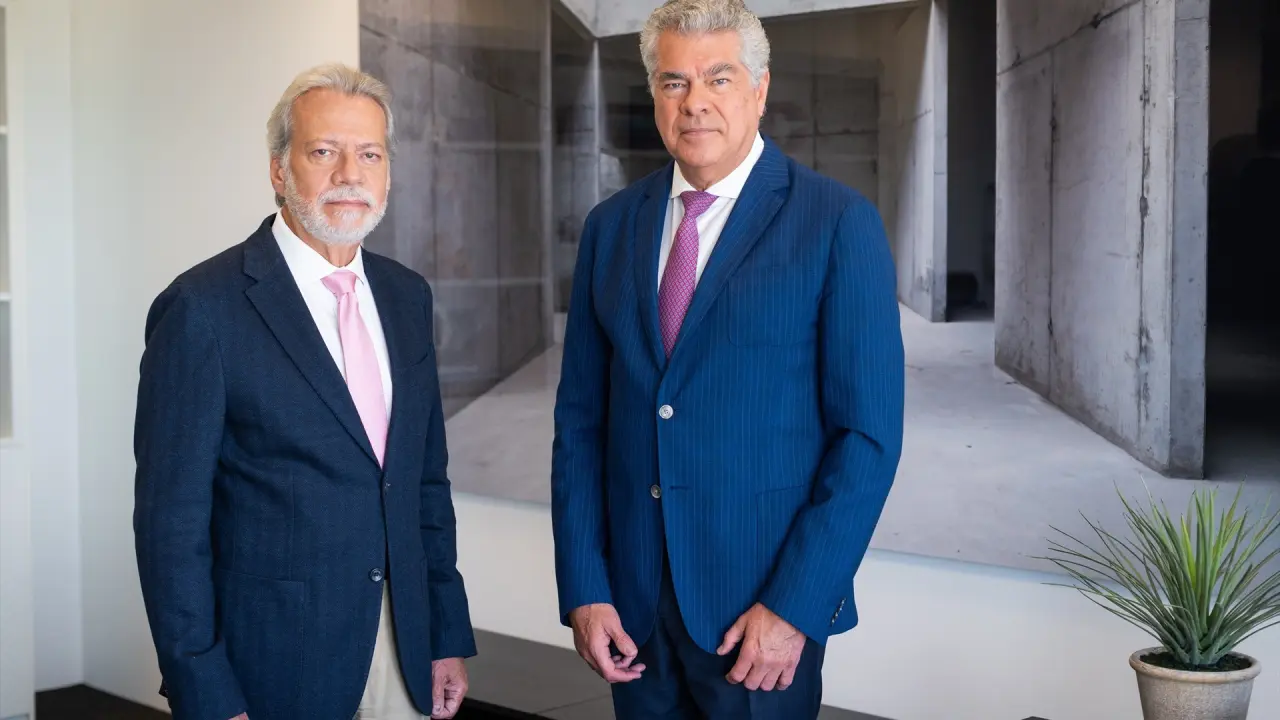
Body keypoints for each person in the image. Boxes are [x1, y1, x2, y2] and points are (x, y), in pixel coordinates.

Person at [550, 1, 905, 718]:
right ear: (655, 95)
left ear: (760, 89)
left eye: (718, 78)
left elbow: (866, 439)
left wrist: (797, 606)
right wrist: (585, 587)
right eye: (674, 82)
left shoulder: (836, 222)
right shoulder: (610, 228)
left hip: (759, 621)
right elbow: (581, 425)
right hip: (631, 616)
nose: (695, 102)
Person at [132, 63, 474, 720]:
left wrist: (445, 634)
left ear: (388, 172)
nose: (350, 174)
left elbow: (424, 483)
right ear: (279, 170)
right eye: (323, 152)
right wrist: (205, 691)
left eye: (369, 154)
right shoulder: (203, 310)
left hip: (405, 653)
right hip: (270, 666)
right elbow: (170, 525)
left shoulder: (407, 297)